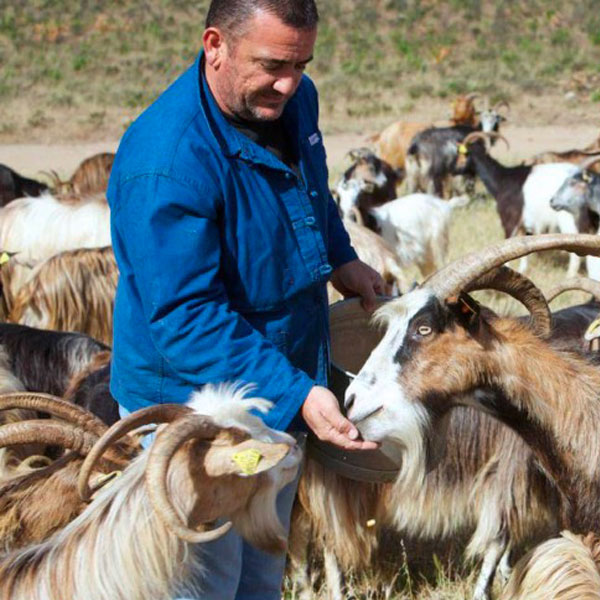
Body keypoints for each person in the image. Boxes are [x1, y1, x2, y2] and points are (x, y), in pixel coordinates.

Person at [107, 0, 384, 598]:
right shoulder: (167, 164)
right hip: (193, 413)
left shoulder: (290, 100)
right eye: (271, 65)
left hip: (277, 387)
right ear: (215, 45)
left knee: (261, 564)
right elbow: (186, 317)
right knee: (205, 578)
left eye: (302, 64)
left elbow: (308, 189)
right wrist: (297, 393)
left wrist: (341, 257)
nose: (288, 83)